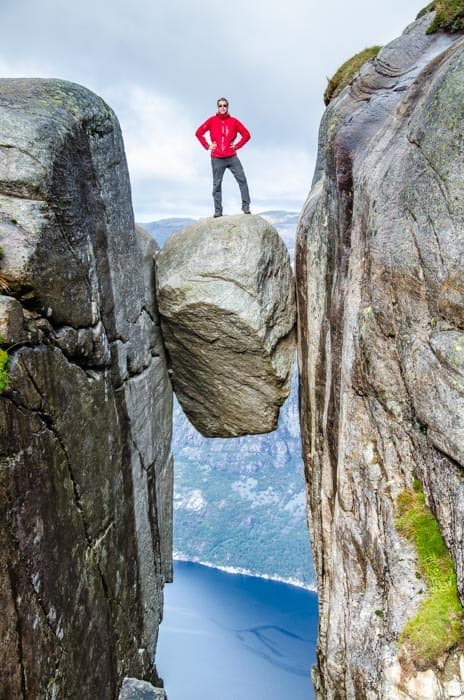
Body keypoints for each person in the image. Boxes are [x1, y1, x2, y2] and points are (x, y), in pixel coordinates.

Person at [195, 98, 251, 218]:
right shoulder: (211, 121)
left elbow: (247, 135)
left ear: (227, 107)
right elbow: (198, 132)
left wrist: (236, 146)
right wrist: (207, 145)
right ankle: (218, 210)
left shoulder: (234, 121)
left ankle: (246, 206)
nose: (222, 107)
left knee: (242, 180)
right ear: (217, 107)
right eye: (220, 106)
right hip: (217, 158)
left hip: (232, 157)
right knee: (217, 184)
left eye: (224, 105)